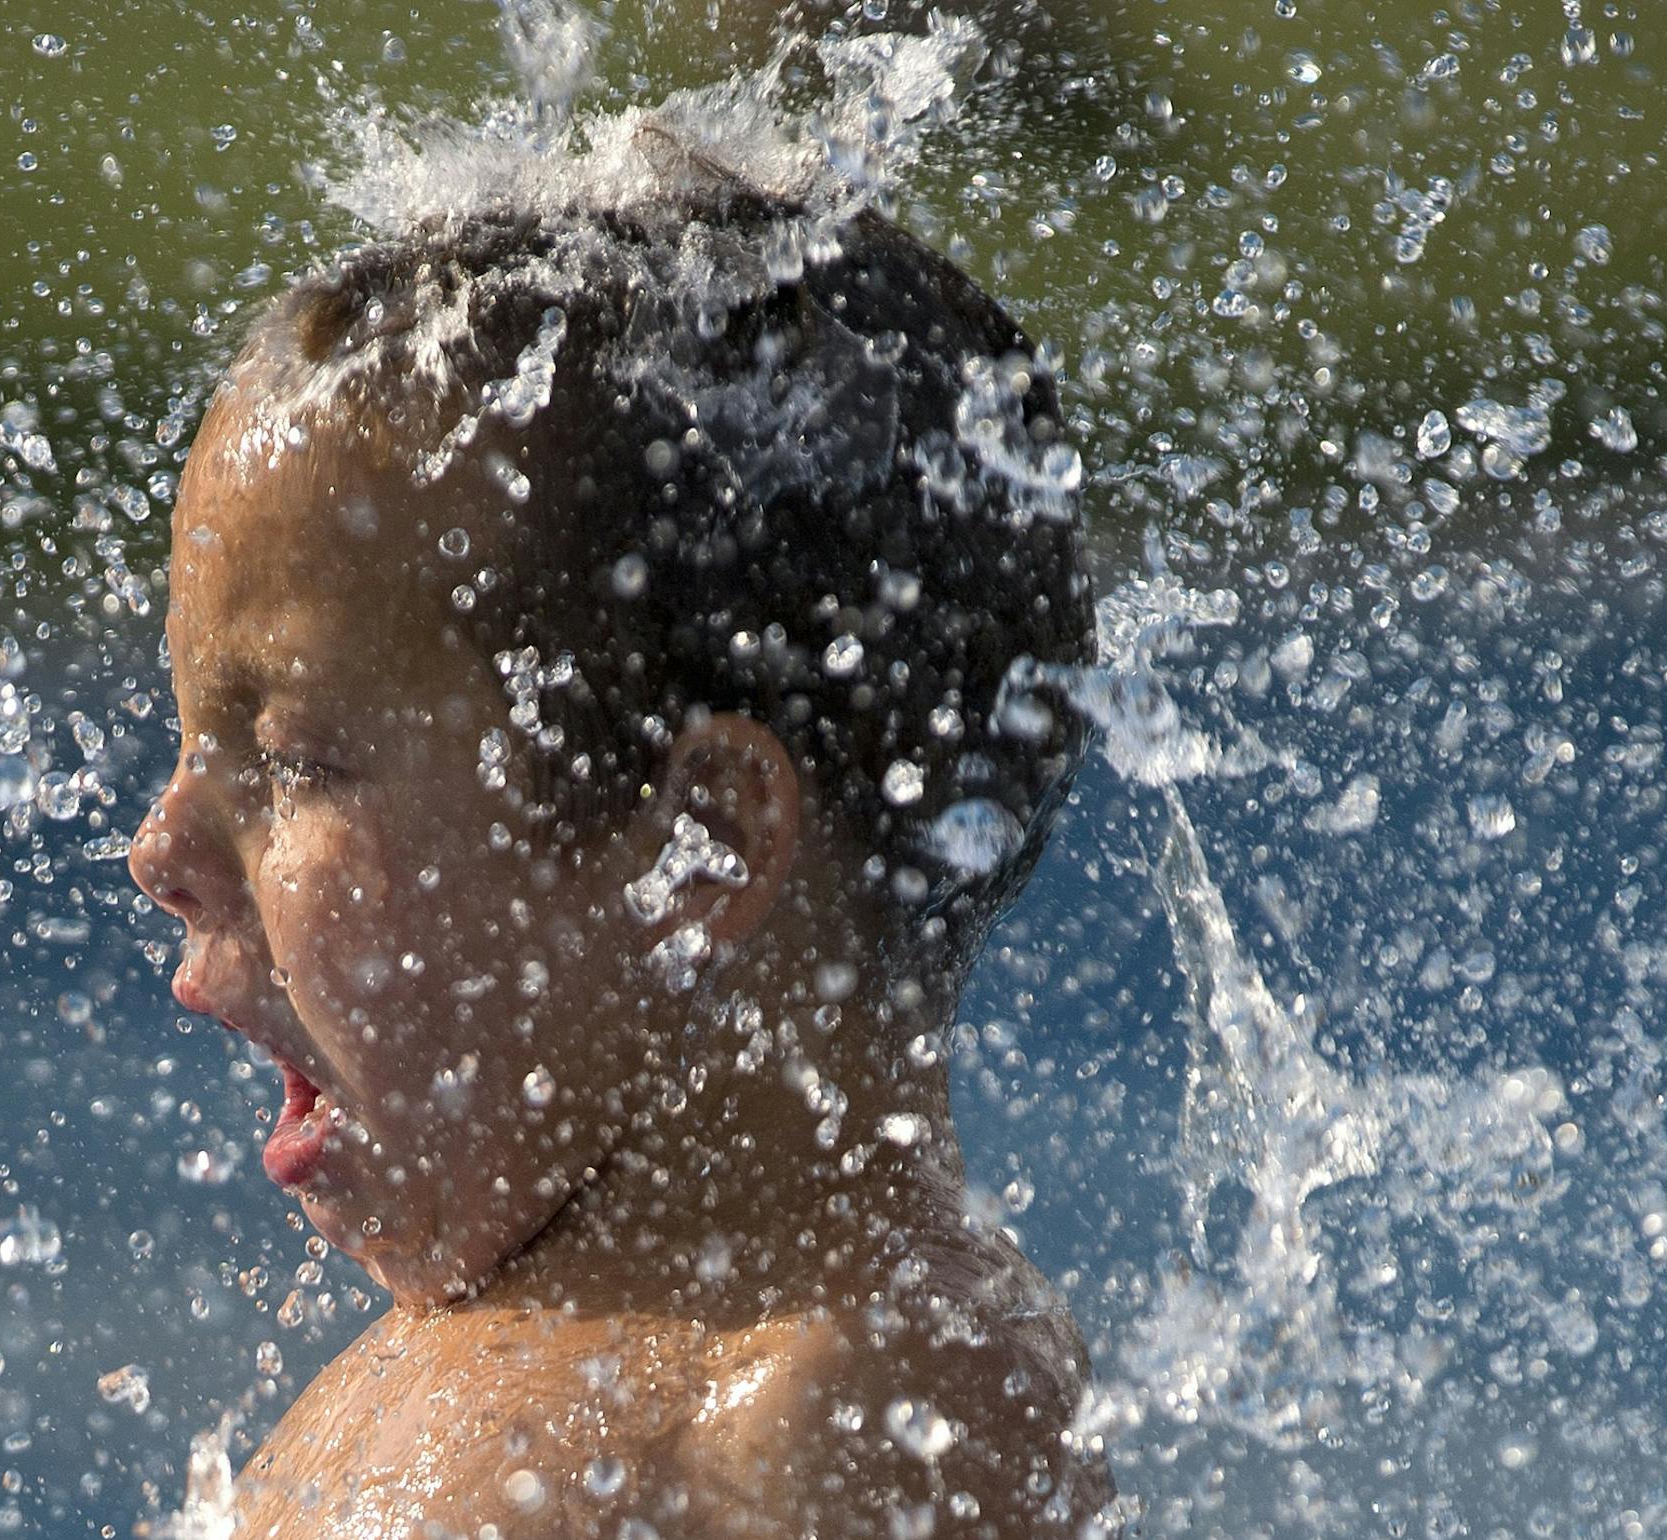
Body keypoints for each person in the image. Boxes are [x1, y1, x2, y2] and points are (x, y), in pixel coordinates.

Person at [127, 153, 1111, 1538]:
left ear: (696, 851)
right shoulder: (460, 1371)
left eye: (291, 761)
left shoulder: (861, 1407)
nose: (160, 845)